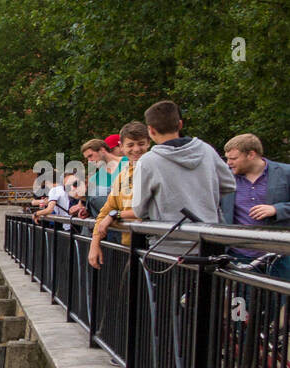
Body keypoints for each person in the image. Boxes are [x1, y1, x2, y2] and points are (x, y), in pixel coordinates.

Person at [128, 101, 235, 233]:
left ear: (151, 130)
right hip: (208, 237)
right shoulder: (207, 150)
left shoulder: (148, 162)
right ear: (180, 124)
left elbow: (138, 209)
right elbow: (229, 185)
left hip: (168, 242)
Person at [223, 133, 290, 279]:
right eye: (227, 158)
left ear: (251, 155)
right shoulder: (225, 177)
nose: (228, 163)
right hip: (239, 257)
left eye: (233, 158)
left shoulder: (286, 173)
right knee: (243, 301)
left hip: (280, 256)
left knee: (279, 300)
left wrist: (277, 209)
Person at [88, 121, 150, 268]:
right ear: (121, 147)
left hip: (154, 248)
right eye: (130, 145)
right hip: (130, 247)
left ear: (148, 143)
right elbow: (106, 210)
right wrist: (94, 243)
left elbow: (146, 211)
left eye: (141, 144)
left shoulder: (155, 170)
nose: (136, 149)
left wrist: (115, 216)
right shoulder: (121, 176)